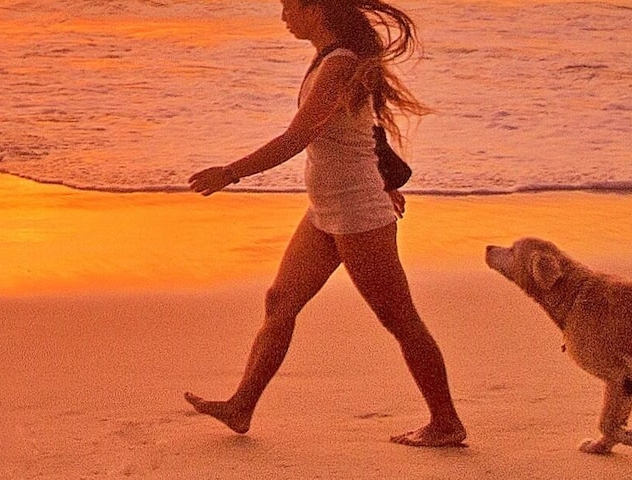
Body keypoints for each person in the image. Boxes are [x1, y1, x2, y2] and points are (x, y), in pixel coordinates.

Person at [182, 0, 466, 447]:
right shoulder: (329, 60)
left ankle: (446, 423)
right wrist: (387, 179)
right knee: (280, 302)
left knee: (399, 318)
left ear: (315, 7)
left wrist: (230, 172)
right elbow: (366, 130)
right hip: (326, 211)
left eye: (287, 5)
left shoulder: (339, 65)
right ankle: (242, 407)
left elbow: (298, 136)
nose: (282, 15)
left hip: (356, 215)